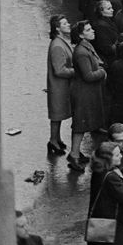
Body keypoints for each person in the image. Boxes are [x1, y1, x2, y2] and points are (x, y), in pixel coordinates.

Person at [69, 19, 108, 173]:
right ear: (80, 35)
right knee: (80, 125)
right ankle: (73, 156)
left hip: (88, 92)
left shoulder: (87, 46)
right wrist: (102, 72)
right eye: (88, 29)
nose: (93, 31)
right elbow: (88, 75)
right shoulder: (81, 52)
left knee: (82, 124)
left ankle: (76, 153)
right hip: (83, 93)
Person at [46, 14, 74, 158]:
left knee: (58, 114)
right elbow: (59, 70)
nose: (68, 24)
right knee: (57, 115)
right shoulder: (57, 45)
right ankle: (53, 141)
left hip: (61, 86)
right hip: (59, 87)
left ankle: (56, 139)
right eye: (65, 23)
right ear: (57, 28)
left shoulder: (60, 41)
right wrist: (76, 71)